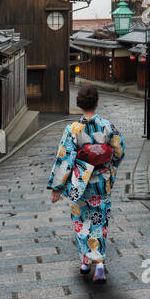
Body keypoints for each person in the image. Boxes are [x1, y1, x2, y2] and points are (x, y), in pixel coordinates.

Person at [46, 85, 125, 283]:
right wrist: (108, 168)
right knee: (99, 222)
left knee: (81, 222)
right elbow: (119, 150)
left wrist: (57, 187)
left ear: (79, 104)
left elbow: (64, 159)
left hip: (80, 184)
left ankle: (84, 261)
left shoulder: (73, 129)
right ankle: (98, 264)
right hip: (101, 183)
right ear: (96, 102)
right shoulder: (107, 126)